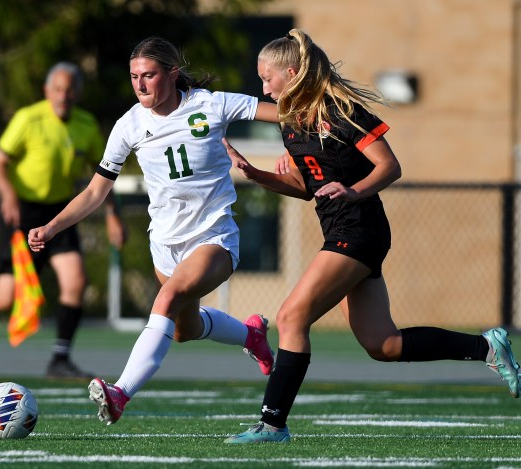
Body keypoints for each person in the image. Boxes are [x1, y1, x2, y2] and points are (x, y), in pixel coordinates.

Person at [222, 28, 521, 444]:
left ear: (291, 73)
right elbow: (307, 188)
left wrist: (353, 190)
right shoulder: (292, 122)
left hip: (359, 229)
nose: (264, 86)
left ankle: (272, 424)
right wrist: (255, 174)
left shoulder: (342, 112)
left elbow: (390, 166)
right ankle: (486, 346)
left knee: (292, 316)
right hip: (342, 231)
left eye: (267, 77)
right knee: (384, 345)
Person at [28, 36, 279, 425]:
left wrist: (323, 113)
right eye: (134, 77)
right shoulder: (129, 124)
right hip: (165, 244)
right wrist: (53, 226)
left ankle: (120, 393)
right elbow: (96, 190)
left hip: (213, 236)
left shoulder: (210, 105)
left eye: (149, 75)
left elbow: (279, 112)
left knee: (167, 297)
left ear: (172, 74)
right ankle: (252, 337)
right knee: (184, 329)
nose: (140, 84)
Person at [0, 62, 127, 378]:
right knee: (8, 295)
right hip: (21, 212)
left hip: (58, 214)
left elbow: (102, 175)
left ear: (78, 93)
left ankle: (60, 358)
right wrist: (8, 195)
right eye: (57, 89)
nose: (63, 95)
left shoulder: (86, 126)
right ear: (47, 91)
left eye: (69, 89)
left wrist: (113, 215)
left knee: (76, 280)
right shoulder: (28, 119)